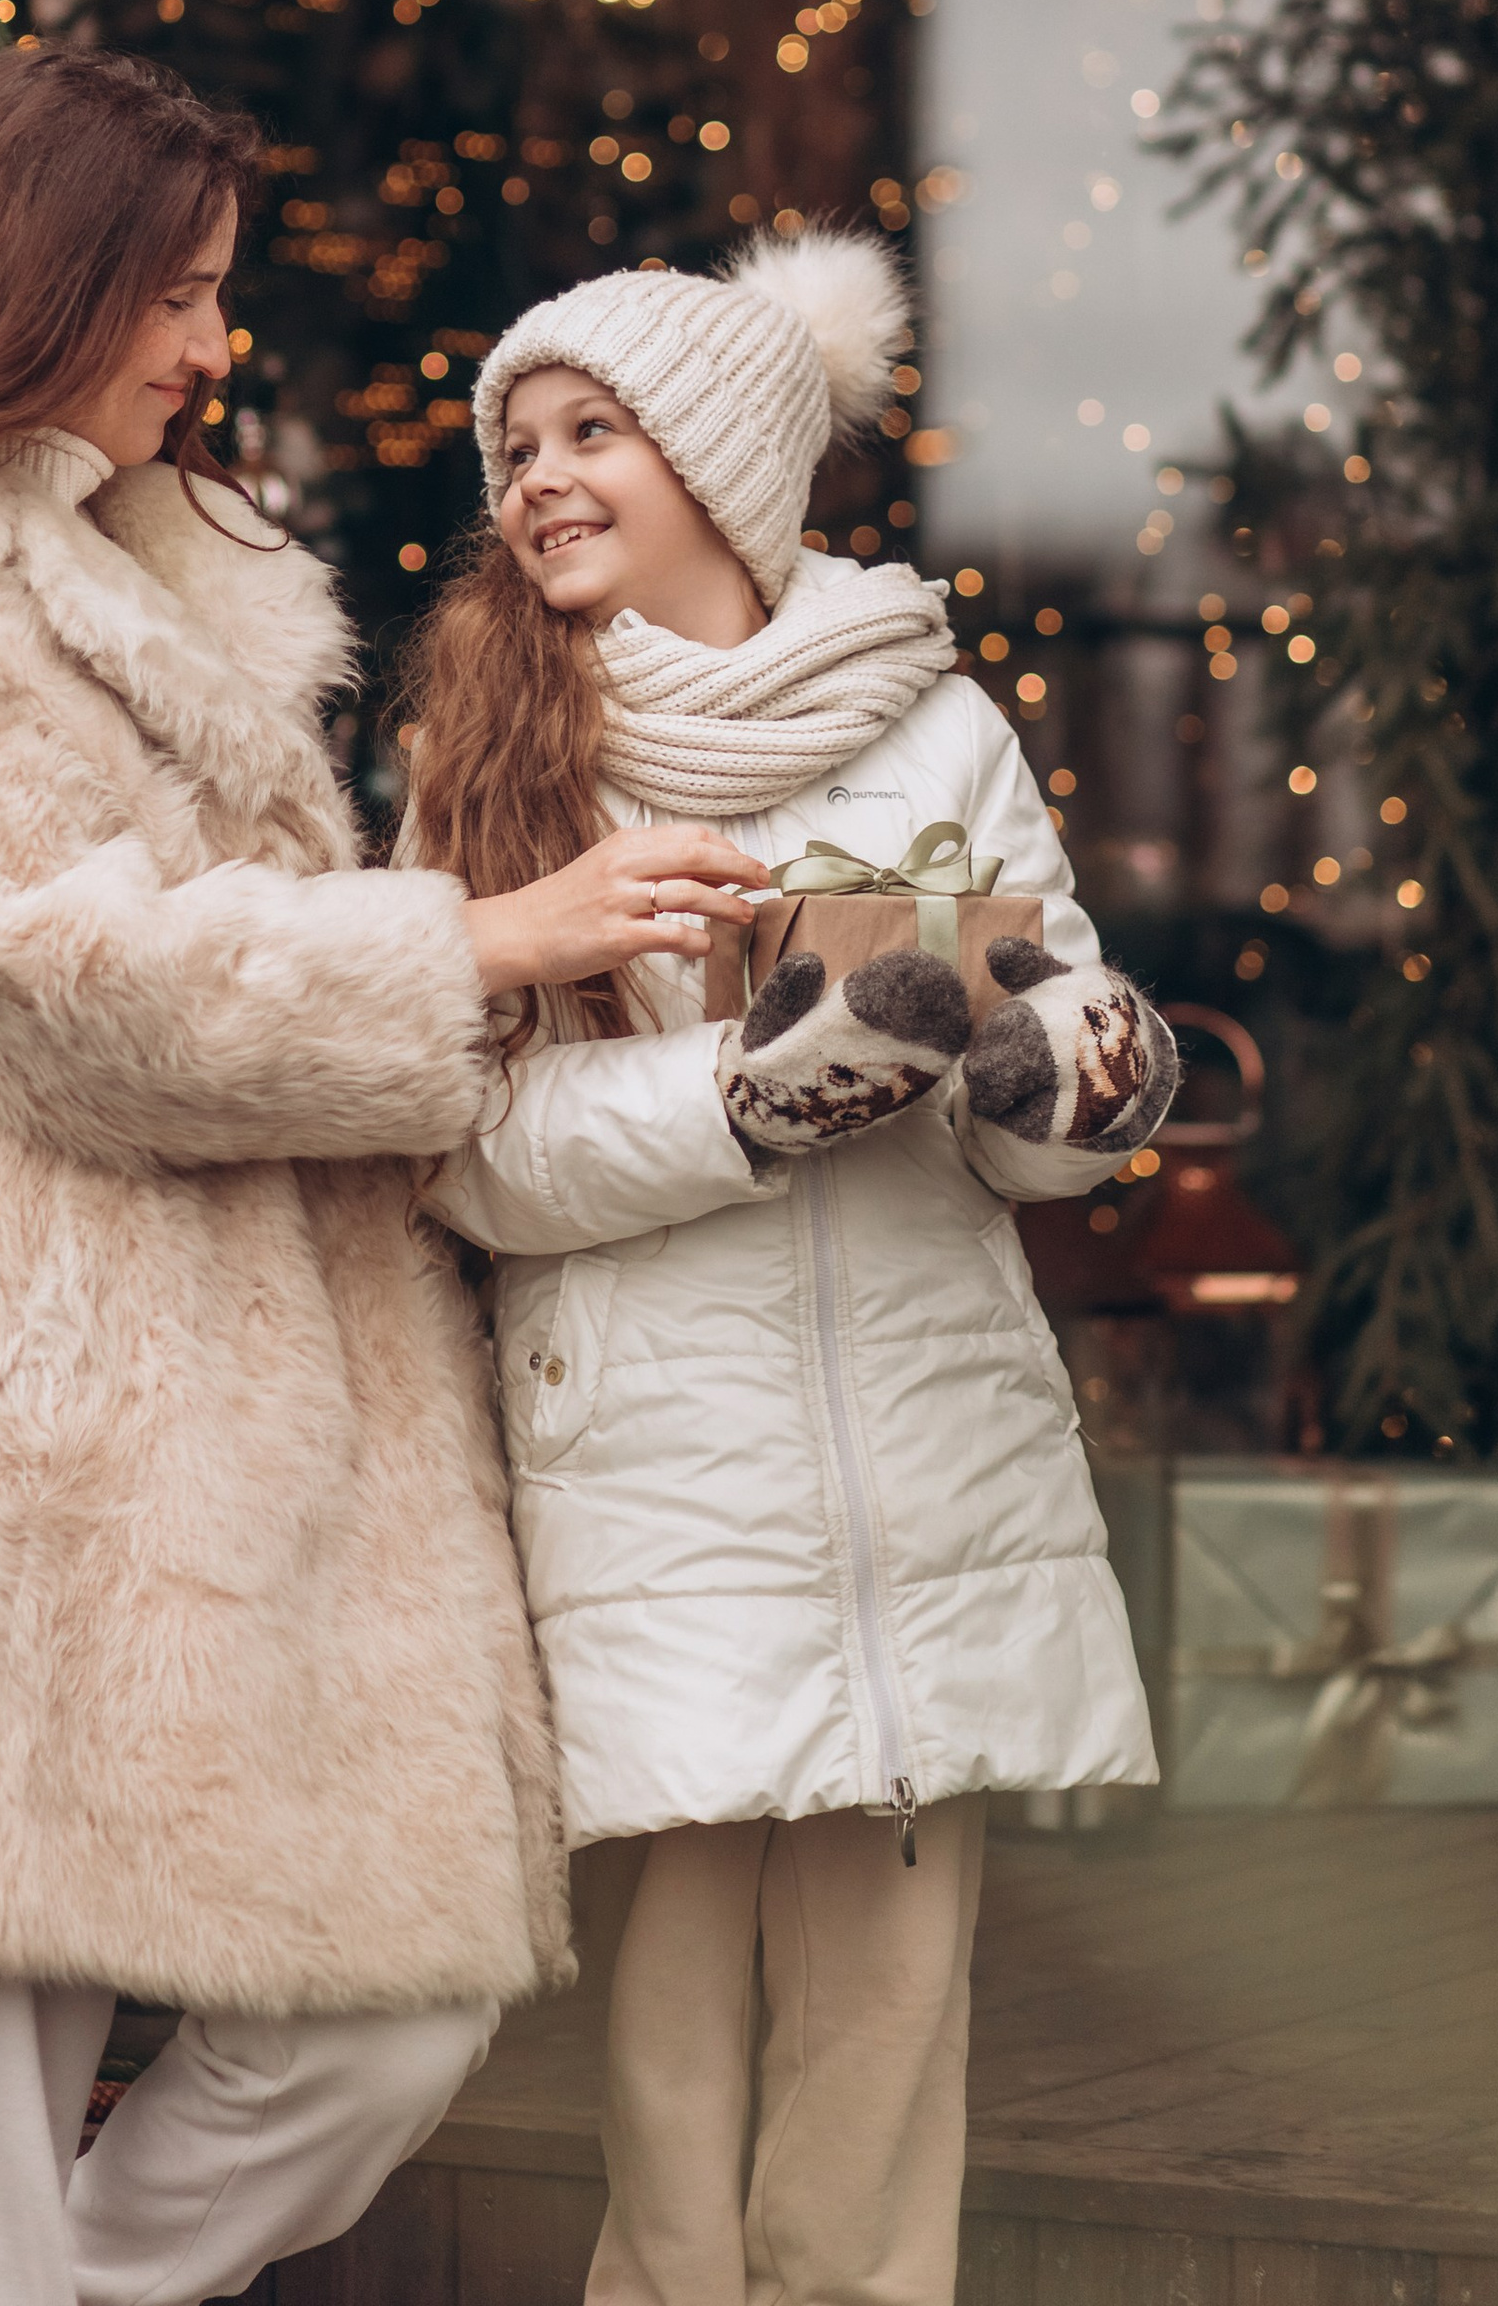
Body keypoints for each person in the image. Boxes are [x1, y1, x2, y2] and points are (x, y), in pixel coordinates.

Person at [0, 47, 763, 2306]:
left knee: (382, 2020)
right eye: (180, 294)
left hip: (227, 1470)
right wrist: (472, 947)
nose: (212, 348)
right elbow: (50, 981)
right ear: (36, 280)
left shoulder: (151, 560)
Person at [404, 230, 1175, 2306]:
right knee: (672, 2035)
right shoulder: (497, 749)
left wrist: (1064, 1075)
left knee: (891, 1996)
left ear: (727, 464)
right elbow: (468, 1155)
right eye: (517, 445)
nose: (537, 477)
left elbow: (1045, 1047)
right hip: (662, 1460)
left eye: (592, 432)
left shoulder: (934, 726)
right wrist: (742, 1110)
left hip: (918, 1458)